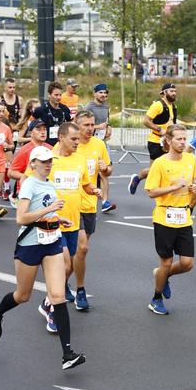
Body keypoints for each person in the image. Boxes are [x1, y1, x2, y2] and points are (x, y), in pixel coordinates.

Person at [0, 146, 86, 370]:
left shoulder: (50, 184)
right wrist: (50, 208)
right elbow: (21, 218)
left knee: (58, 295)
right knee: (23, 295)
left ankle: (67, 354)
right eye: (43, 161)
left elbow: (45, 213)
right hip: (30, 245)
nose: (48, 164)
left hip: (51, 242)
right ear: (33, 164)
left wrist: (58, 219)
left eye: (50, 160)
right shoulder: (29, 183)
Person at [38, 123, 102, 328]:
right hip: (52, 221)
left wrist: (94, 190)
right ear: (61, 137)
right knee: (64, 265)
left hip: (73, 221)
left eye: (78, 139)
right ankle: (52, 308)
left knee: (69, 265)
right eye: (73, 139)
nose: (77, 142)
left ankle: (48, 301)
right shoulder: (49, 159)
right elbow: (33, 183)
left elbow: (84, 184)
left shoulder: (80, 160)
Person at [144, 124, 196, 315]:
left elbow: (193, 183)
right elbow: (151, 191)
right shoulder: (160, 163)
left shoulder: (191, 159)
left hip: (184, 216)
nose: (183, 142)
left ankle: (162, 276)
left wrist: (194, 189)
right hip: (164, 217)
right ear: (168, 140)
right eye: (179, 139)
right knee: (166, 262)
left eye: (185, 139)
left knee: (187, 263)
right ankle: (156, 298)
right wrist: (173, 187)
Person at [72, 110, 112, 310]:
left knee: (79, 252)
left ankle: (62, 280)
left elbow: (108, 170)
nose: (90, 129)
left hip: (90, 204)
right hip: (71, 204)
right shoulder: (69, 144)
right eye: (85, 125)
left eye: (92, 125)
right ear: (76, 124)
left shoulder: (99, 144)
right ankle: (80, 290)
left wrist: (105, 168)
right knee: (82, 247)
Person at [129, 83, 178, 194]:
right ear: (164, 92)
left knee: (168, 166)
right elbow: (146, 120)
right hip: (156, 141)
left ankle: (167, 191)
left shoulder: (174, 106)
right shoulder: (158, 105)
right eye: (171, 91)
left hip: (168, 143)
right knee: (154, 170)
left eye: (175, 91)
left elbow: (171, 123)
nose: (174, 93)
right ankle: (137, 178)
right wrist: (159, 130)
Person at [85, 83, 116, 212]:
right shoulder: (88, 107)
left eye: (105, 93)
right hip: (88, 143)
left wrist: (108, 128)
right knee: (87, 172)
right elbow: (83, 124)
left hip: (102, 143)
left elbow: (107, 121)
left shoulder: (106, 107)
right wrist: (98, 127)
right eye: (101, 92)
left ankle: (105, 202)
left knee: (105, 171)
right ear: (94, 93)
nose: (103, 95)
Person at [32, 81, 71, 146]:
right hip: (46, 145)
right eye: (56, 95)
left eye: (60, 95)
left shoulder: (65, 109)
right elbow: (32, 126)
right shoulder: (41, 110)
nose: (58, 97)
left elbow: (69, 125)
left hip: (61, 145)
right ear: (49, 95)